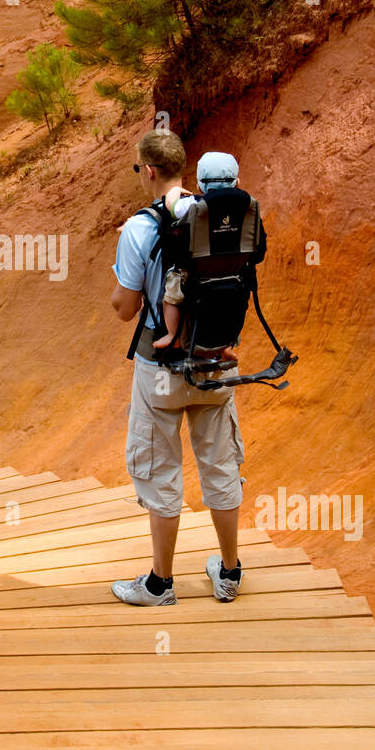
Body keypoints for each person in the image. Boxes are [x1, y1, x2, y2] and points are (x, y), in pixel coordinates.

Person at [110, 130, 245, 606]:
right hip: (216, 360)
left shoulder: (140, 228)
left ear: (148, 170)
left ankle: (160, 584)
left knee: (160, 471)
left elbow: (125, 309)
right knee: (220, 464)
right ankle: (229, 573)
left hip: (161, 368)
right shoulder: (223, 218)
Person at [153, 152, 243, 363]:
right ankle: (225, 346)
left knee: (172, 291)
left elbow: (172, 207)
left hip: (196, 273)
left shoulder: (193, 204)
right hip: (233, 273)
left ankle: (173, 336)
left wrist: (174, 192)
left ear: (199, 185)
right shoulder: (246, 207)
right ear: (237, 182)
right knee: (229, 304)